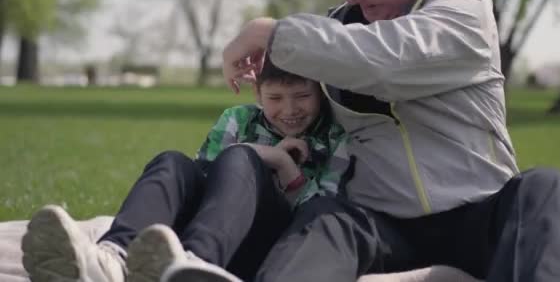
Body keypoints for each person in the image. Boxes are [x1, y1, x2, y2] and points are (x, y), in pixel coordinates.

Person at [163, 0, 560, 281]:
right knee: (324, 216)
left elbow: (385, 60)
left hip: (477, 214)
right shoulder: (339, 23)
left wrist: (269, 33)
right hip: (380, 224)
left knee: (543, 187)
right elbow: (308, 75)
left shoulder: (465, 8)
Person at [21, 59, 351, 282]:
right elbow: (204, 179)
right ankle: (112, 259)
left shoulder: (335, 138)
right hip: (214, 222)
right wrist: (266, 152)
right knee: (173, 162)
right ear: (258, 93)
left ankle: (191, 267)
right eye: (275, 98)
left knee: (239, 159)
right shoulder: (238, 119)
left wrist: (284, 167)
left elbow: (315, 219)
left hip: (266, 243)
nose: (290, 110)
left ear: (319, 92)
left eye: (302, 96)